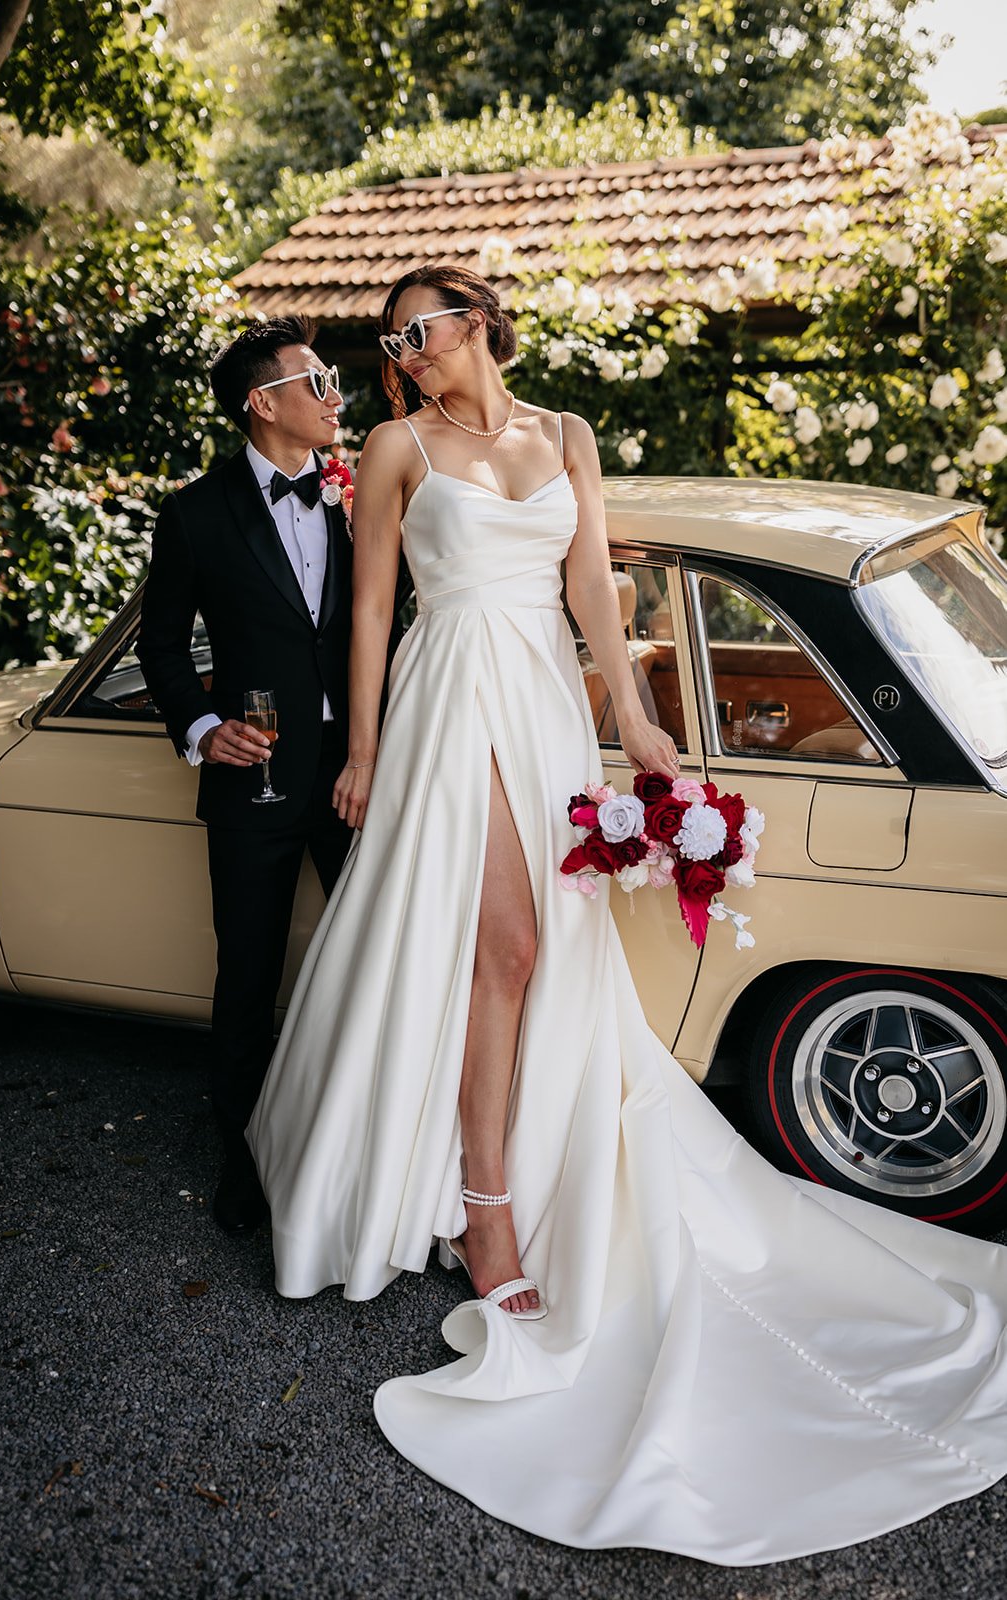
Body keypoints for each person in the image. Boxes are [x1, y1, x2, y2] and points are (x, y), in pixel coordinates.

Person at [246, 267, 1007, 1565]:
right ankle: (484, 1212)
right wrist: (360, 747)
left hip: (543, 701)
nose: (403, 348)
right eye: (390, 338)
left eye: (419, 327)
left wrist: (640, 726)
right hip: (447, 698)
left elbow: (594, 594)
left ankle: (509, 1174)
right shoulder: (392, 447)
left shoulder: (566, 436)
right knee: (505, 948)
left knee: (539, 955)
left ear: (476, 322)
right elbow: (369, 608)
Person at [136, 316, 355, 1238]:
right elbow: (160, 645)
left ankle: (362, 1144)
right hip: (252, 778)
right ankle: (243, 1154)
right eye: (317, 382)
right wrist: (201, 726)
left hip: (358, 775)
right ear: (263, 403)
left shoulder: (361, 491)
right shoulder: (193, 512)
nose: (334, 397)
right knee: (248, 972)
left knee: (372, 956)